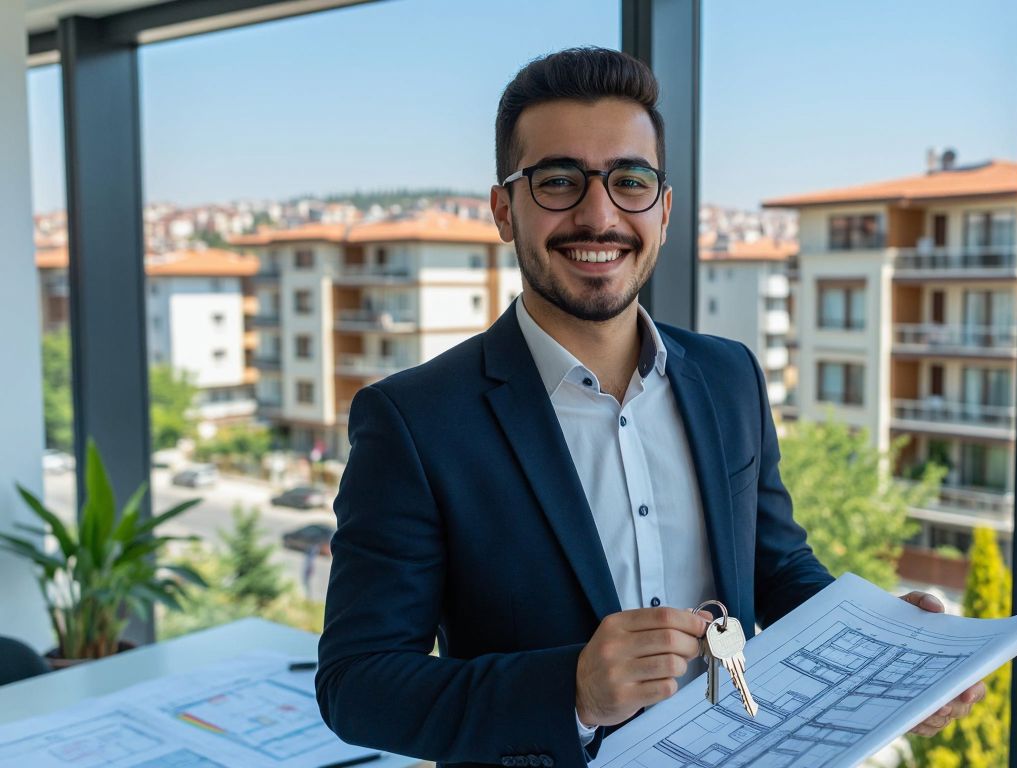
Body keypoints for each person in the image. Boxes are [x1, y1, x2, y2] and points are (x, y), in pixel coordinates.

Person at [315, 47, 983, 768]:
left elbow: (777, 571)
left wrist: (887, 644)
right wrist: (570, 689)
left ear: (662, 212)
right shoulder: (415, 421)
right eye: (559, 181)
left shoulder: (731, 377)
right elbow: (358, 684)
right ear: (505, 210)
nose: (598, 215)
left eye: (629, 181)